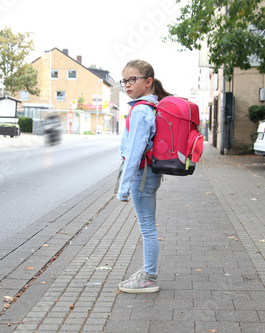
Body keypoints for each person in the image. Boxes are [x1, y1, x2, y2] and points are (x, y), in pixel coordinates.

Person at [116, 59, 172, 293]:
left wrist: (123, 187)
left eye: (132, 79)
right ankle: (148, 272)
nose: (127, 85)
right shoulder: (149, 106)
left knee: (147, 228)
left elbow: (134, 152)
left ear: (148, 82)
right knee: (148, 226)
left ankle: (149, 278)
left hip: (142, 175)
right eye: (124, 80)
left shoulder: (140, 110)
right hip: (148, 174)